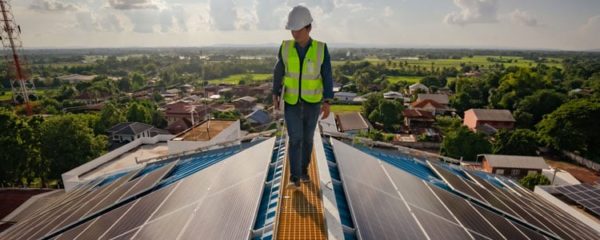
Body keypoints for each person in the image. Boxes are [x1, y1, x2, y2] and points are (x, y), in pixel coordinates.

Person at [272, 5, 334, 189]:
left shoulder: (321, 49)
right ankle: (295, 177)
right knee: (295, 139)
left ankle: (304, 170)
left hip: (313, 104)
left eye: (298, 29)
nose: (294, 33)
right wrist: (275, 93)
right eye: (292, 29)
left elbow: (327, 75)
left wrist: (327, 101)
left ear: (308, 28)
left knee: (307, 140)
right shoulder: (285, 47)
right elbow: (278, 72)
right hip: (291, 102)